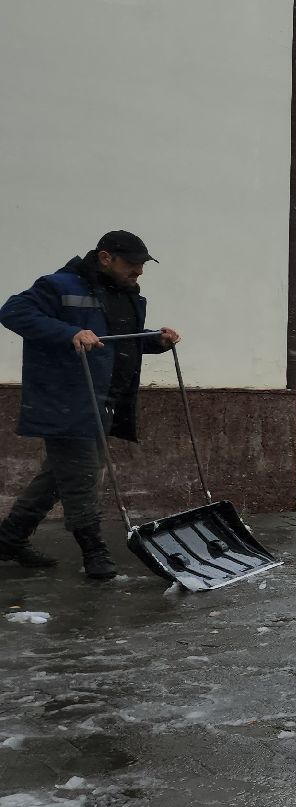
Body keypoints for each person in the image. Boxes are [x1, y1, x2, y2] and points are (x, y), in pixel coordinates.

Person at [0, 232, 180, 579]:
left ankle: (9, 537)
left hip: (107, 400)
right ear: (105, 258)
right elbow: (12, 312)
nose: (138, 272)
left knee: (59, 475)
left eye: (142, 266)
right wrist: (68, 333)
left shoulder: (124, 295)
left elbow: (115, 343)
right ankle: (94, 552)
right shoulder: (58, 285)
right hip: (67, 399)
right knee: (82, 476)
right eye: (132, 265)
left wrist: (155, 340)